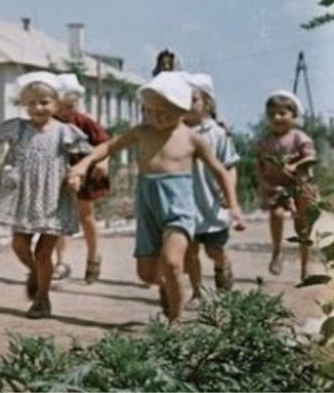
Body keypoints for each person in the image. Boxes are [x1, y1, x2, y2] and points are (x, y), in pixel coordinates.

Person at [68, 72, 245, 322]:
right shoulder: (142, 132)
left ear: (182, 109)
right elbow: (108, 146)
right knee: (146, 273)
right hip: (148, 207)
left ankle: (176, 320)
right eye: (150, 111)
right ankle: (168, 286)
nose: (156, 117)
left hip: (179, 209)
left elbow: (220, 171)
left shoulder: (192, 139)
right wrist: (83, 164)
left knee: (172, 262)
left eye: (164, 112)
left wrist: (234, 206)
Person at [0, 71, 91, 319]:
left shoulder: (64, 131)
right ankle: (36, 271)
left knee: (44, 252)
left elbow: (85, 156)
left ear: (57, 103)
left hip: (54, 198)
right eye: (31, 103)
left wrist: (78, 175)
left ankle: (42, 299)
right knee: (19, 244)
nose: (38, 108)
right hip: (23, 197)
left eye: (44, 102)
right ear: (23, 104)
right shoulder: (17, 127)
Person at [180, 73, 239, 306]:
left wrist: (229, 192)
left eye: (193, 99)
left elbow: (230, 165)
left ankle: (223, 265)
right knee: (190, 252)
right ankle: (197, 292)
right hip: (185, 204)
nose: (187, 104)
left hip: (212, 203)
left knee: (214, 250)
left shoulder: (217, 134)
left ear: (207, 104)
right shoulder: (175, 131)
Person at [51, 73, 111, 284]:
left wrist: (104, 162)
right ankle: (61, 261)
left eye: (71, 106)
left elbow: (104, 144)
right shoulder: (49, 124)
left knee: (86, 216)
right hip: (57, 174)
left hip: (83, 172)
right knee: (59, 218)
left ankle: (93, 255)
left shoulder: (83, 122)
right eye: (62, 106)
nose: (66, 111)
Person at [255, 89, 317, 282]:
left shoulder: (299, 137)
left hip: (300, 186)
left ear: (293, 115)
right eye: (272, 114)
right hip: (277, 187)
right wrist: (265, 182)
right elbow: (260, 165)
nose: (277, 117)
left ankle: (305, 266)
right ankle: (277, 250)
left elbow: (310, 158)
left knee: (303, 228)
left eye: (282, 113)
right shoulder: (265, 142)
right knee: (277, 214)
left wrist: (295, 166)